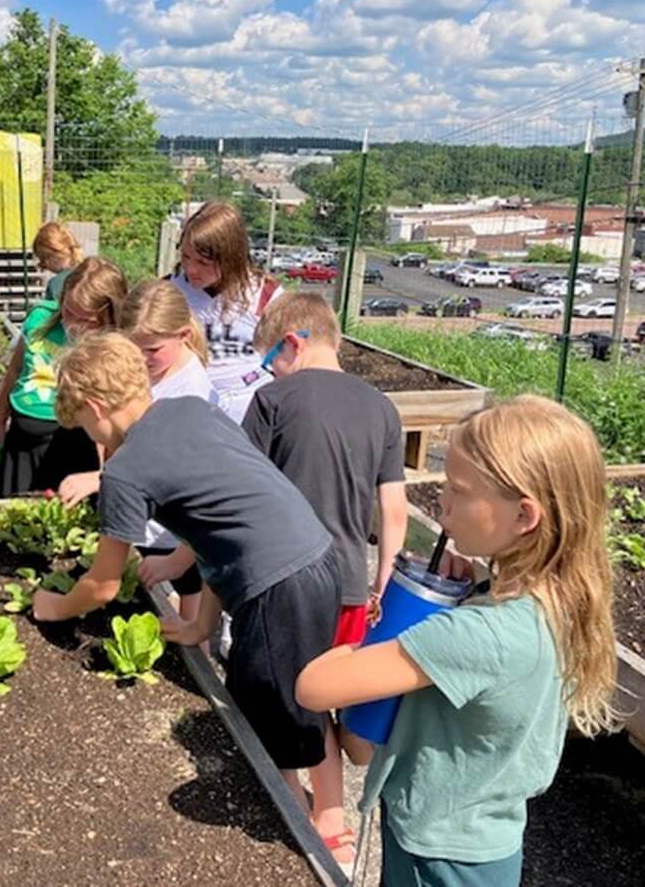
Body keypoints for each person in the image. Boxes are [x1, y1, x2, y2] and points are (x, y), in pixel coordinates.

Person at [296, 396, 619, 887]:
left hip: (436, 861)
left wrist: (399, 620)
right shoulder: (548, 602)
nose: (442, 502)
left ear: (524, 517)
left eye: (459, 490)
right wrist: (463, 597)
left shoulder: (477, 637)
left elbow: (314, 688)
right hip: (481, 844)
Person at [32, 332, 339, 810]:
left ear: (94, 408)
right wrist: (200, 624)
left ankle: (304, 834)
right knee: (288, 710)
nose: (90, 439)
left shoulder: (125, 470)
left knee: (267, 743)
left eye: (83, 427)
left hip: (277, 587)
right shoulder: (192, 410)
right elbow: (213, 532)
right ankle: (322, 816)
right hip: (318, 557)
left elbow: (104, 585)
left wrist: (54, 606)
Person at [236, 292, 408, 865]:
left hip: (285, 582)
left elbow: (243, 495)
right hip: (351, 587)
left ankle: (297, 803)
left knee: (285, 697)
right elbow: (394, 509)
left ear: (293, 343)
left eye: (269, 358)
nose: (269, 371)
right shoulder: (381, 407)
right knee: (329, 695)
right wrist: (383, 581)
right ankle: (333, 813)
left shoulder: (272, 401)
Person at [59, 280, 218, 626]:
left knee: (186, 617)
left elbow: (176, 473)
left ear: (184, 335)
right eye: (135, 347)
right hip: (146, 523)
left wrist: (99, 478)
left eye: (153, 349)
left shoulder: (191, 392)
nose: (143, 359)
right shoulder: (160, 374)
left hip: (174, 537)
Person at [0, 257, 127, 497]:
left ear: (108, 317)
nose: (73, 323)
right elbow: (14, 371)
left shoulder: (108, 347)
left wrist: (103, 470)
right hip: (20, 442)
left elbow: (109, 413)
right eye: (69, 311)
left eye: (86, 319)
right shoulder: (39, 319)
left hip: (70, 444)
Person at [170, 202, 284, 423]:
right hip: (190, 403)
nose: (191, 269)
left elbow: (290, 354)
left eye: (203, 262)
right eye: (185, 257)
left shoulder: (265, 294)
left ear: (230, 258)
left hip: (250, 404)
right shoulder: (170, 291)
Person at [33, 221, 84, 301]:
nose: (44, 266)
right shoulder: (91, 273)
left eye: (43, 259)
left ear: (51, 258)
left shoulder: (56, 283)